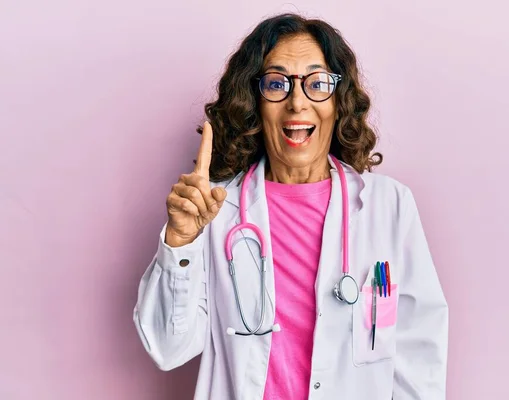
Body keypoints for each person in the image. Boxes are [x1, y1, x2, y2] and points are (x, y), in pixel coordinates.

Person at [133, 12, 449, 400]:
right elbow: (169, 349)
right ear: (255, 101)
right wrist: (180, 242)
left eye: (317, 83)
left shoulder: (389, 206)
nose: (297, 102)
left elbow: (420, 351)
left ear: (338, 101)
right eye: (277, 84)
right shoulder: (215, 212)